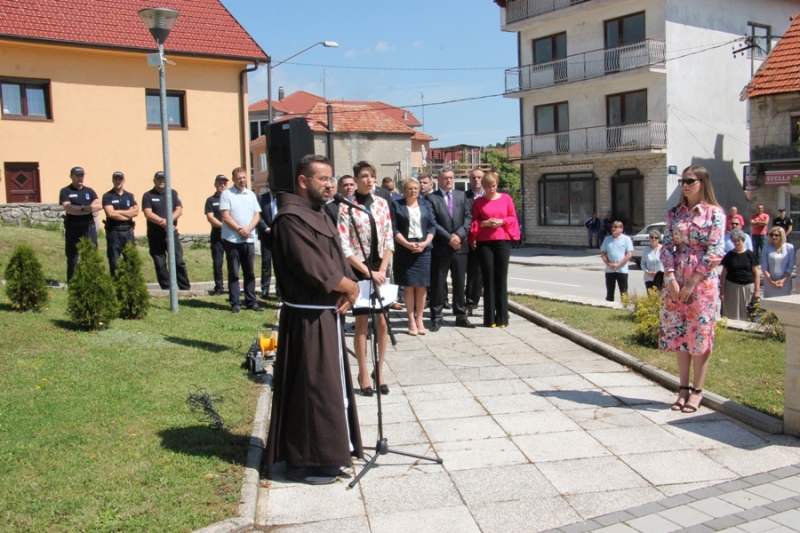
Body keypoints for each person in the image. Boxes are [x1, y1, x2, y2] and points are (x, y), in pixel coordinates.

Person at [265, 154, 362, 486]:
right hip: (307, 321)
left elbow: (336, 257)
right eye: (323, 178)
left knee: (326, 387)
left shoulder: (320, 214)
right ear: (303, 181)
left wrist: (349, 286)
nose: (330, 184)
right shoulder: (290, 220)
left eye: (331, 178)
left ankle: (330, 452)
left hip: (326, 315)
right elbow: (313, 267)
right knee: (311, 389)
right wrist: (348, 286)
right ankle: (305, 460)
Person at [660, 165, 724, 414]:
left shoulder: (714, 213)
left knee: (699, 335)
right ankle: (682, 388)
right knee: (679, 335)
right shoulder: (674, 213)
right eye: (682, 181)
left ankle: (697, 391)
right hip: (676, 279)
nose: (685, 185)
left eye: (690, 181)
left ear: (702, 182)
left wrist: (692, 280)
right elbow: (666, 246)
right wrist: (671, 278)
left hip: (702, 283)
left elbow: (716, 250)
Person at [338, 161, 394, 396]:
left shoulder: (382, 203)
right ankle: (362, 373)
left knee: (382, 321)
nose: (369, 180)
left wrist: (381, 269)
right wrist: (368, 272)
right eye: (364, 176)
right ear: (356, 179)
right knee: (361, 323)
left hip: (381, 268)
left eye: (372, 176)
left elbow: (389, 238)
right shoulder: (347, 207)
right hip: (359, 269)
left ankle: (379, 370)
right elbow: (344, 246)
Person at [468, 171, 520, 328]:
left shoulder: (506, 199)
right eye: (488, 187)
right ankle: (489, 318)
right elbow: (473, 222)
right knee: (488, 278)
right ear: (483, 187)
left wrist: (502, 221)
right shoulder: (479, 202)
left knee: (501, 278)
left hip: (502, 241)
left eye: (494, 186)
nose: (491, 189)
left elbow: (513, 218)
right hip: (485, 243)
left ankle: (503, 317)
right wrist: (484, 224)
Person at [428, 167, 474, 331]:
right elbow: (432, 222)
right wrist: (449, 238)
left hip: (460, 247)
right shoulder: (431, 198)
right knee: (439, 283)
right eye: (445, 178)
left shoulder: (462, 196)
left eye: (451, 178)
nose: (448, 181)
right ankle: (436, 316)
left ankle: (460, 315)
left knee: (459, 282)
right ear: (438, 180)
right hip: (441, 247)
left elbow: (468, 217)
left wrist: (459, 236)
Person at [391, 177, 435, 335]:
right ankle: (410, 320)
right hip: (405, 249)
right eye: (410, 188)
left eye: (415, 188)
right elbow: (393, 228)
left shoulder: (426, 204)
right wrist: (407, 244)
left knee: (422, 286)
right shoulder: (396, 205)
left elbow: (432, 226)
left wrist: (426, 243)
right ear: (404, 190)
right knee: (408, 287)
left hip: (423, 249)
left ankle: (420, 319)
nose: (413, 191)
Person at [220, 167, 262, 313]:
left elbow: (257, 215)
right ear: (233, 179)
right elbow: (225, 216)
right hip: (233, 240)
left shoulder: (251, 195)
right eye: (239, 178)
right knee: (234, 272)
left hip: (249, 240)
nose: (242, 180)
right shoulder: (227, 194)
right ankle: (235, 303)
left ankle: (251, 301)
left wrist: (248, 229)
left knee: (249, 272)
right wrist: (240, 230)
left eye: (244, 177)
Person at [141, 171, 191, 290]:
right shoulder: (148, 195)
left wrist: (168, 222)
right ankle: (167, 289)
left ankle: (184, 288)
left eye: (163, 179)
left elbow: (179, 210)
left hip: (171, 234)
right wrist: (162, 222)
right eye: (159, 179)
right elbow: (148, 213)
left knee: (178, 261)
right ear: (154, 181)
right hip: (155, 235)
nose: (161, 181)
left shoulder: (172, 193)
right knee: (160, 264)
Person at [60, 166, 101, 281]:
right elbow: (69, 209)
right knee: (73, 258)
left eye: (81, 175)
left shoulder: (89, 191)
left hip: (88, 227)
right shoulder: (66, 191)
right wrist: (87, 208)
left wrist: (81, 208)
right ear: (71, 177)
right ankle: (72, 283)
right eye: (77, 175)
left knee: (92, 255)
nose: (80, 178)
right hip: (73, 228)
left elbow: (99, 206)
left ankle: (92, 281)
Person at [101, 171, 139, 277]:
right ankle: (116, 283)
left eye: (120, 179)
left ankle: (130, 283)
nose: (118, 181)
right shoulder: (108, 196)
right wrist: (127, 214)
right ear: (112, 180)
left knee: (130, 259)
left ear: (124, 180)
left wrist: (118, 212)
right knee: (114, 261)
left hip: (128, 231)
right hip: (114, 231)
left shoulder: (130, 196)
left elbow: (136, 212)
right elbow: (110, 213)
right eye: (116, 179)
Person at [720, 229, 760, 320]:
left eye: (738, 240)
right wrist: (722, 291)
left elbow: (756, 274)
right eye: (734, 241)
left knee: (747, 312)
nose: (737, 243)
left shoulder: (750, 255)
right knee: (731, 313)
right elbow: (723, 274)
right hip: (732, 287)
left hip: (747, 286)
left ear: (743, 240)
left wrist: (757, 290)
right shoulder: (729, 255)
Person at [465, 167, 485, 312]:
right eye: (473, 177)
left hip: (488, 239)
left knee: (485, 274)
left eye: (479, 177)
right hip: (469, 241)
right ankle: (470, 302)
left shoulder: (492, 195)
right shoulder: (463, 196)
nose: (476, 180)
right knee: (472, 273)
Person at [204, 175, 228, 295]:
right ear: (215, 184)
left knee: (233, 262)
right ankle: (219, 287)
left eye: (224, 183)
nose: (222, 185)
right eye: (220, 183)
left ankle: (233, 288)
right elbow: (210, 217)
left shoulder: (231, 198)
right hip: (217, 235)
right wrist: (224, 226)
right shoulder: (211, 200)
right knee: (218, 263)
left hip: (230, 236)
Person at [600, 221, 634, 302]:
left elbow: (629, 254)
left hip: (622, 270)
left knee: (624, 292)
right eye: (612, 227)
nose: (613, 228)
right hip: (610, 270)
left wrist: (618, 265)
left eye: (615, 227)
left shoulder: (626, 239)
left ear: (621, 229)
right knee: (610, 292)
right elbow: (603, 253)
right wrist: (609, 264)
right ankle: (609, 307)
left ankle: (624, 307)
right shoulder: (607, 239)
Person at [257, 185, 279, 299]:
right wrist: (266, 228)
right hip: (266, 235)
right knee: (266, 263)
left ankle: (279, 290)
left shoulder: (282, 197)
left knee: (279, 264)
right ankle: (265, 289)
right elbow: (258, 216)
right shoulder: (262, 198)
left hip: (279, 236)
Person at [761, 226, 795, 299]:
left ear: (782, 236)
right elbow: (764, 267)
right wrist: (772, 282)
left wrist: (783, 281)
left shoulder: (789, 247)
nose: (774, 237)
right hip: (770, 282)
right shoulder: (766, 248)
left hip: (785, 283)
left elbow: (790, 266)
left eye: (776, 235)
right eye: (771, 235)